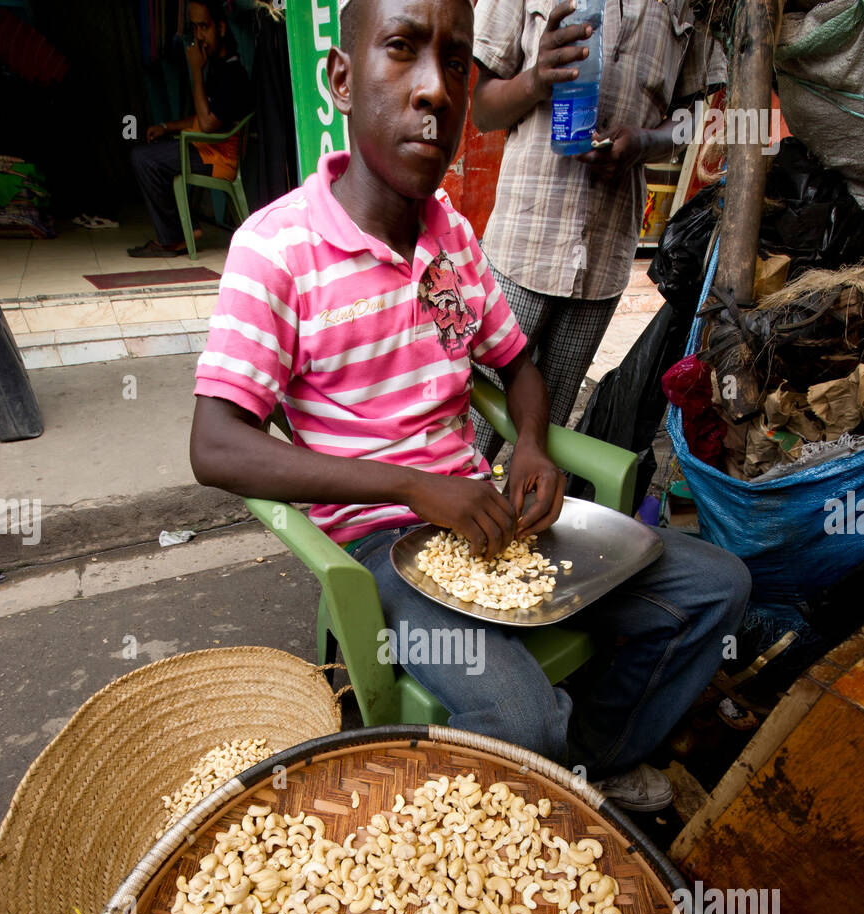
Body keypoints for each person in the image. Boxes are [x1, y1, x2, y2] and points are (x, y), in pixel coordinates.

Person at [190, 0, 750, 813]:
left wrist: (530, 443)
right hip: (384, 544)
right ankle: (487, 818)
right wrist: (414, 488)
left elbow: (517, 362)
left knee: (718, 590)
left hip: (483, 512)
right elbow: (216, 446)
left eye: (455, 63)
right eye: (401, 51)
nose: (435, 91)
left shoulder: (448, 232)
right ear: (342, 80)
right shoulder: (275, 249)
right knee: (523, 718)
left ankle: (591, 761)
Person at [469, 0, 727, 466]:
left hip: (604, 261)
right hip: (520, 249)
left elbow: (692, 118)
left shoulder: (693, 4)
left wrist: (646, 142)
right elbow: (482, 109)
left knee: (548, 438)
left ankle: (521, 534)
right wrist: (535, 79)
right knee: (473, 436)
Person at [127, 0, 252, 257]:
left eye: (204, 27)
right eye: (194, 28)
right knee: (150, 151)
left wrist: (195, 71)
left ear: (221, 28)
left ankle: (174, 238)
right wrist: (165, 126)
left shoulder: (233, 74)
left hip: (217, 159)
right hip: (203, 148)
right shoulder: (218, 67)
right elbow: (203, 117)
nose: (198, 36)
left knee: (144, 159)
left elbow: (206, 124)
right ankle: (184, 230)